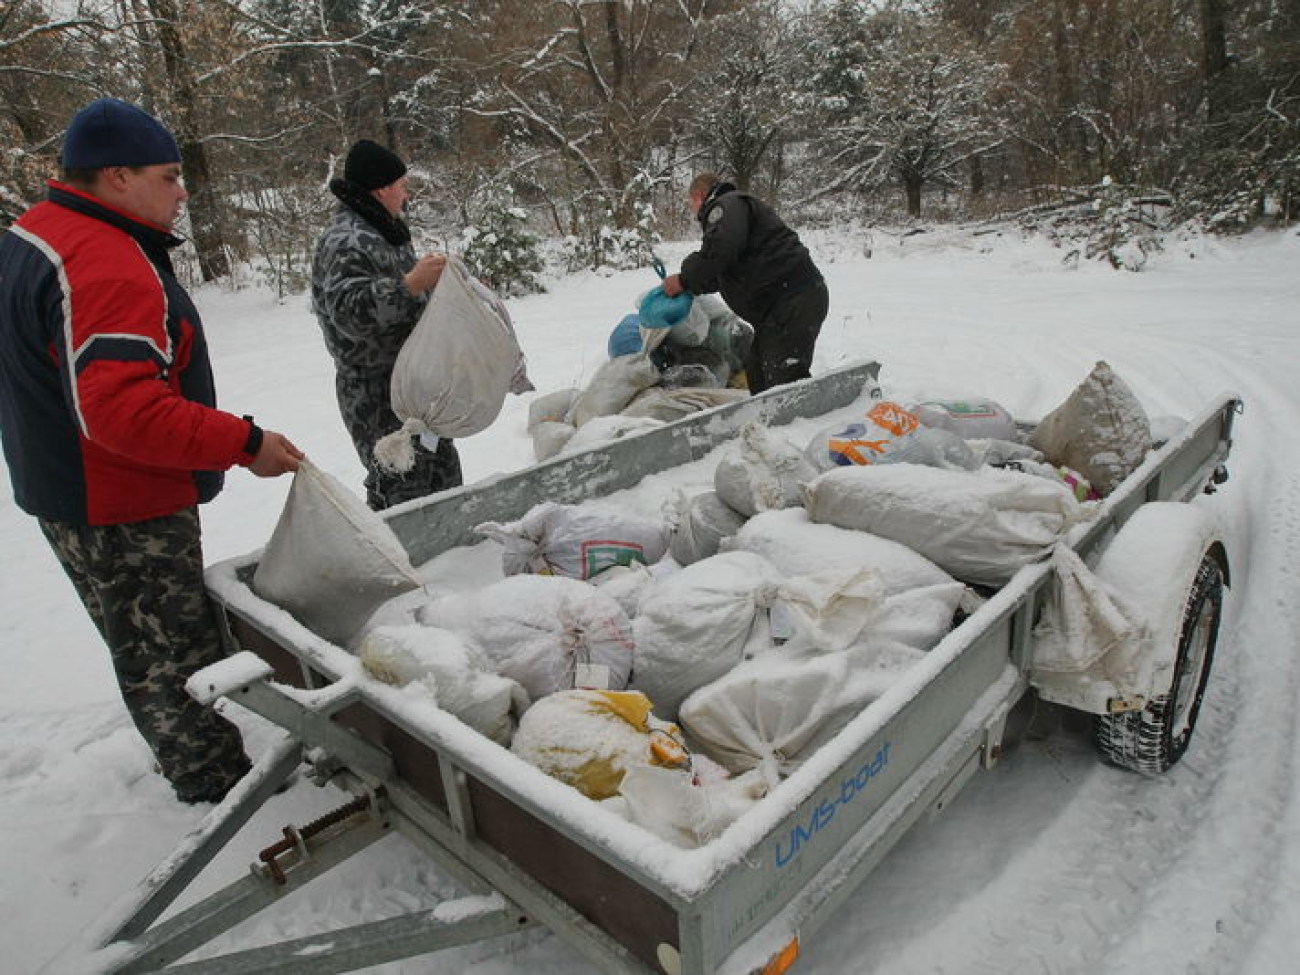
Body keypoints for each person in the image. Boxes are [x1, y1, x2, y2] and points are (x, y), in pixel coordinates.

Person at [0, 98, 304, 805]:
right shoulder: (105, 264)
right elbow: (120, 408)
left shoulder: (35, 232)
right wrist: (244, 441)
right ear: (116, 177)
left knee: (139, 647)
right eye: (168, 176)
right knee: (172, 658)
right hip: (120, 504)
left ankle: (200, 764)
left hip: (69, 489)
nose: (181, 191)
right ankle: (220, 792)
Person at [311, 139, 462, 510]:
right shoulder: (345, 240)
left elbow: (407, 304)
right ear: (381, 189)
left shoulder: (384, 231)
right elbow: (348, 311)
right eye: (401, 185)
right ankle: (402, 566)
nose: (406, 194)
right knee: (401, 490)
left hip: (415, 386)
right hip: (376, 394)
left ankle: (459, 562)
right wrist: (410, 284)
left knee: (444, 481)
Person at [663, 173, 829, 394]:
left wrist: (684, 279)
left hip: (793, 298)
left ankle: (810, 422)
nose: (692, 211)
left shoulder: (726, 205)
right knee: (759, 377)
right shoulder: (735, 211)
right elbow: (721, 271)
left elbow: (721, 250)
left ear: (699, 195)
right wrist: (689, 285)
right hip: (779, 307)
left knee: (783, 380)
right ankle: (773, 424)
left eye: (690, 203)